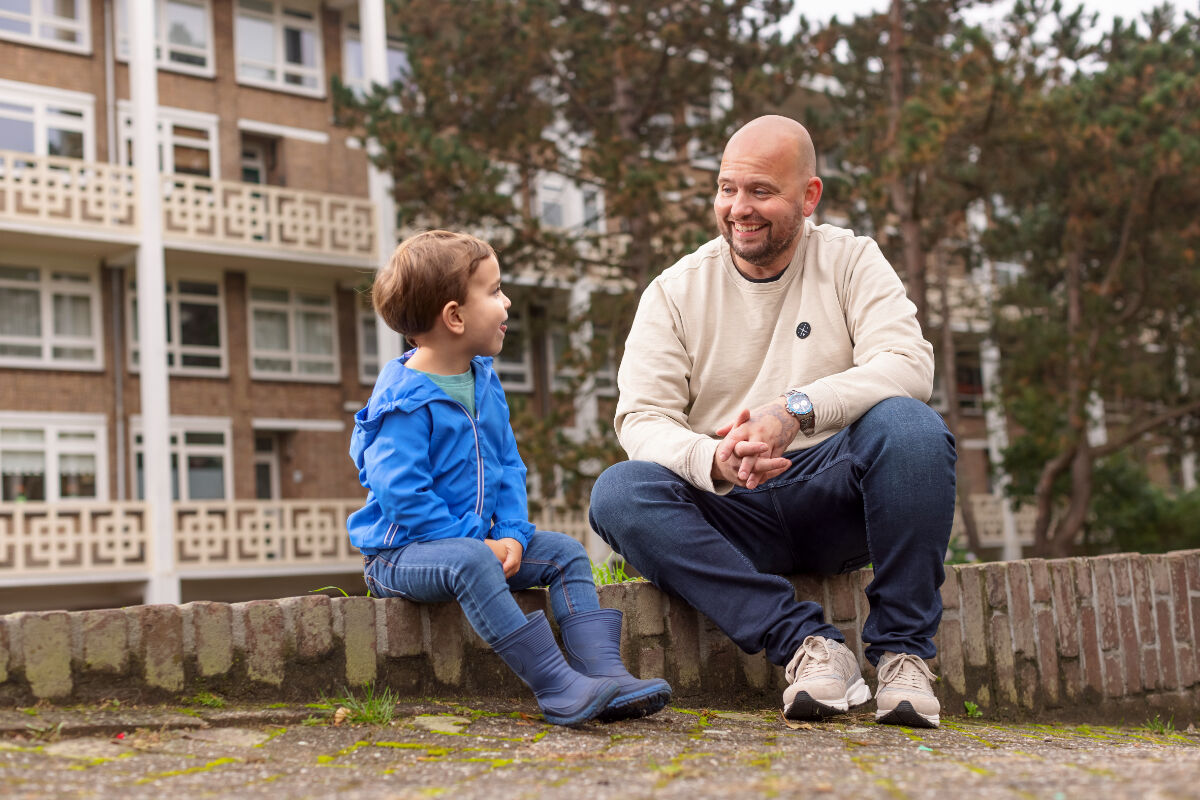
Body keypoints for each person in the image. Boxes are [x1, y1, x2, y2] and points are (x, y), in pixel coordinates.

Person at [588, 115, 956, 728]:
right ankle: (811, 650)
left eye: (760, 191)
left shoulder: (852, 260)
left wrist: (796, 410)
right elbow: (642, 418)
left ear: (808, 196)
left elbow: (909, 365)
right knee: (619, 492)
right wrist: (712, 460)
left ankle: (903, 655)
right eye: (727, 189)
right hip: (735, 508)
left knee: (910, 427)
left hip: (838, 493)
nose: (739, 208)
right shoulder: (674, 291)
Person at [347, 230, 671, 726]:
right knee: (471, 561)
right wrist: (479, 542)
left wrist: (512, 534)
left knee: (564, 553)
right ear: (455, 316)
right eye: (494, 291)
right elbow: (402, 495)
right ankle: (557, 687)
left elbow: (506, 466)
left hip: (476, 545)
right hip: (401, 555)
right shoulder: (404, 403)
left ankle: (606, 675)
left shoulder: (483, 378)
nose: (507, 301)